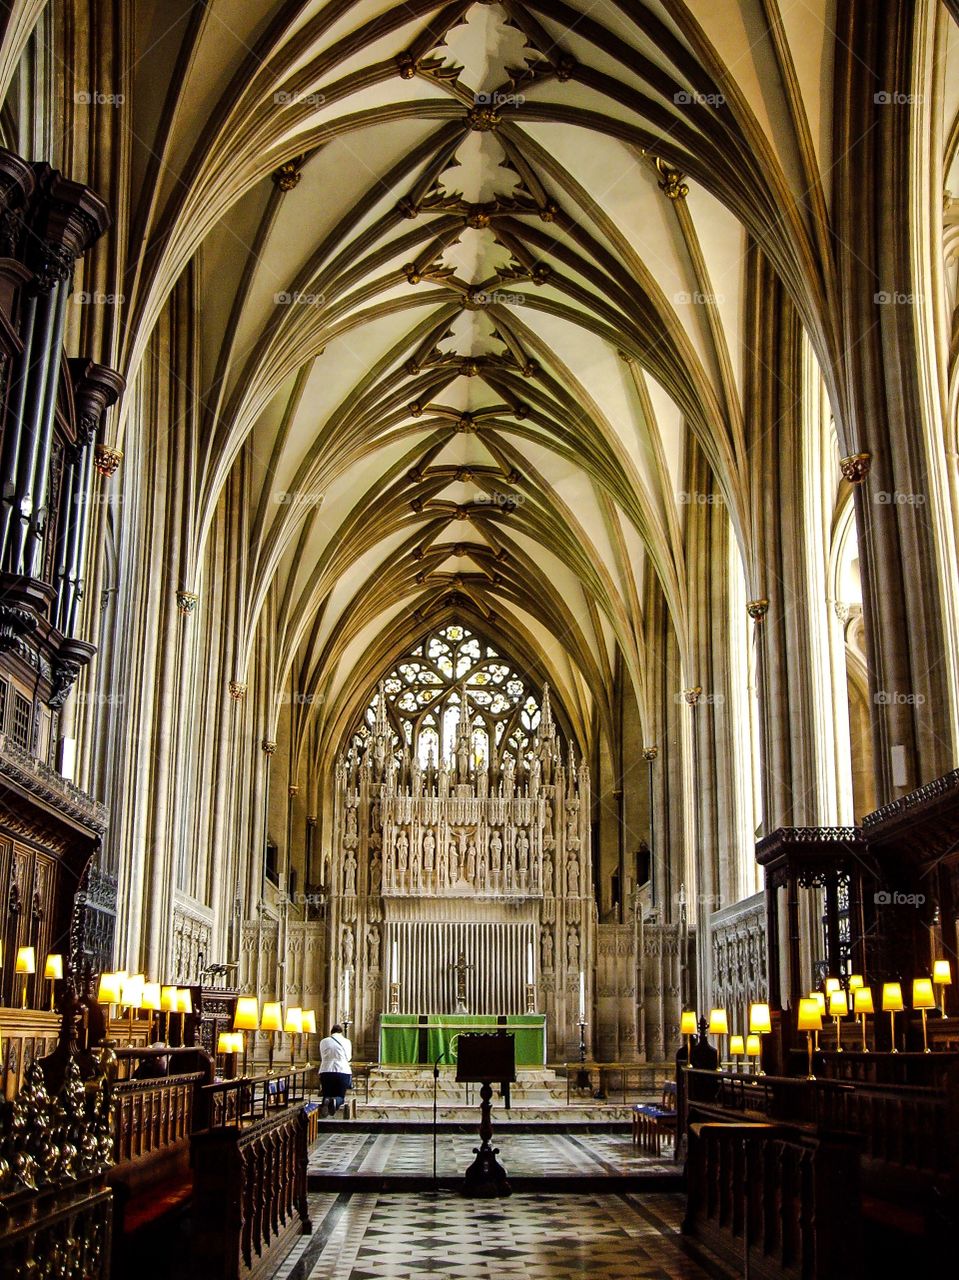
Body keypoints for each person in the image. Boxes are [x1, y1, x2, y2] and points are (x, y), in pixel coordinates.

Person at [319, 1023, 352, 1116]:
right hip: (342, 1070)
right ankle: (336, 1102)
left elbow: (322, 1056)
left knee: (327, 1092)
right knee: (340, 1095)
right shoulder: (346, 1041)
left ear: (331, 1032)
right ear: (341, 1032)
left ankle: (326, 1100)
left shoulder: (323, 1041)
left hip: (326, 1070)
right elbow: (349, 1058)